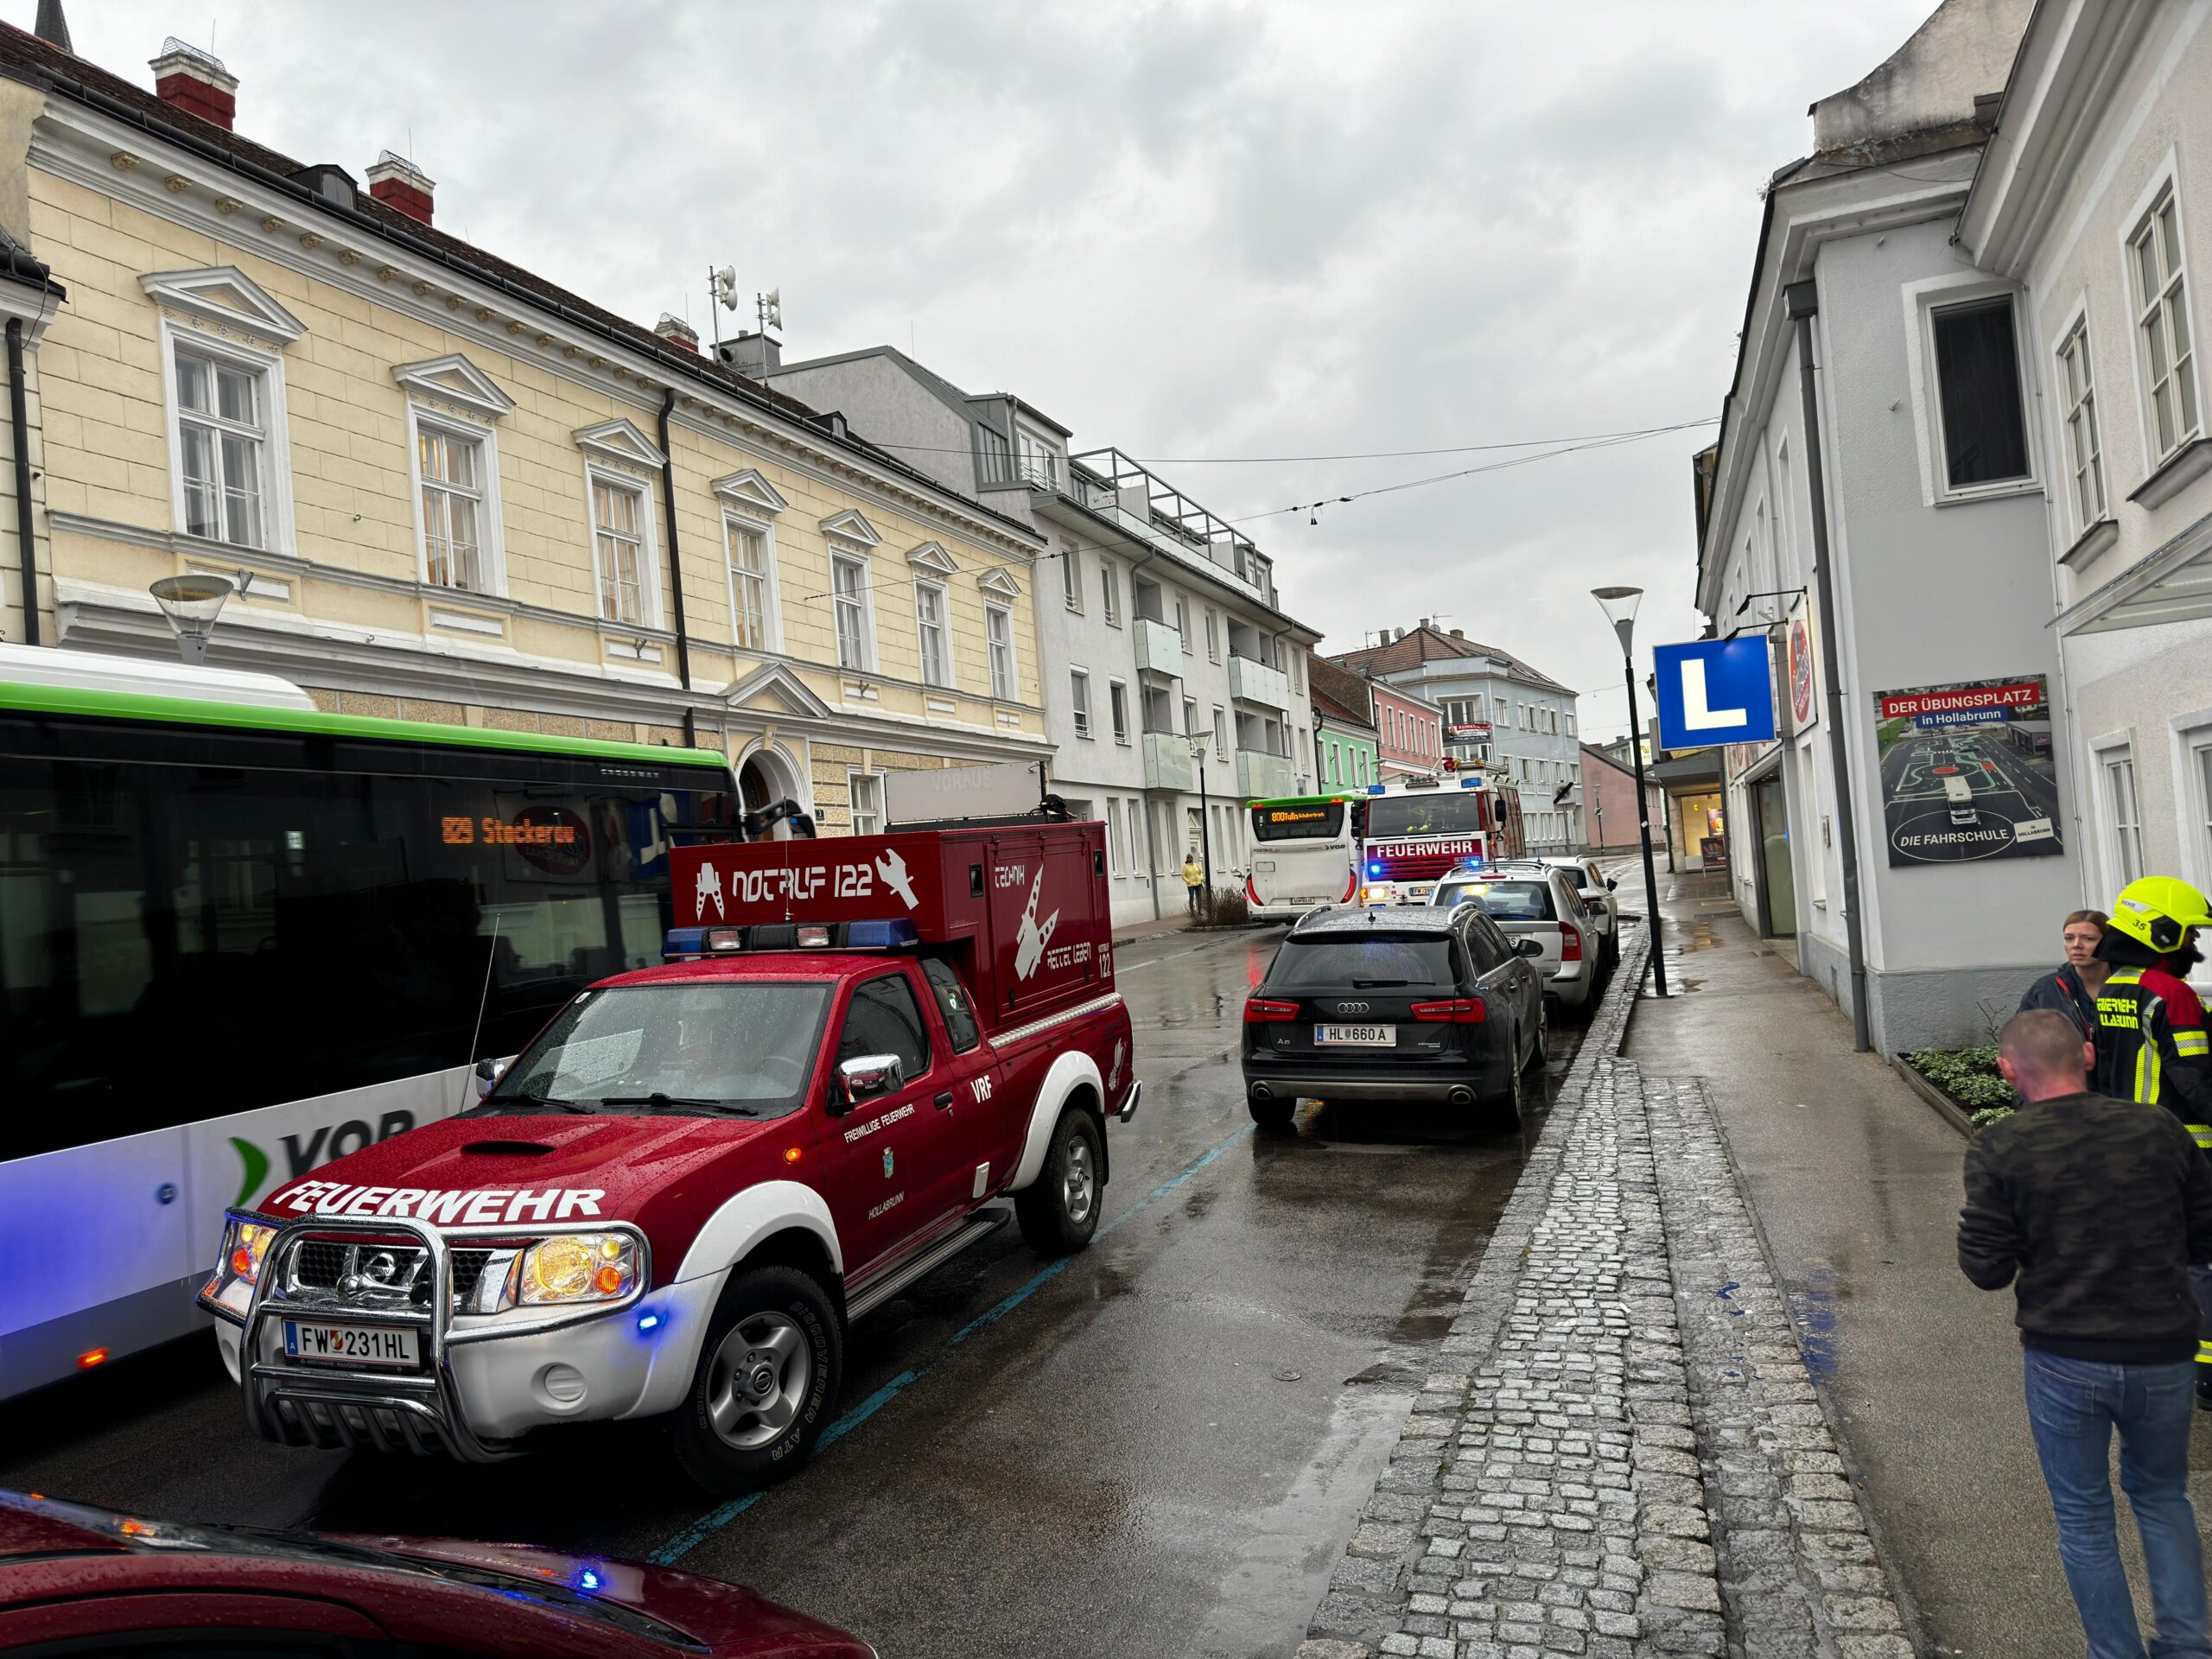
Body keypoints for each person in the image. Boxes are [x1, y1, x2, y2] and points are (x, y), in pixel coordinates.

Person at [1960, 1009, 2212, 1659]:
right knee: (2162, 1496)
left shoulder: (2003, 1147)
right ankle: (2186, 1646)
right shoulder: (2158, 1128)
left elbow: (1985, 1270)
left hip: (2065, 1355)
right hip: (2164, 1349)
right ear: (2090, 1057)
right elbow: (2205, 1234)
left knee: (2083, 1516)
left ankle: (2116, 1653)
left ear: (2008, 1070)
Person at [2018, 909, 2111, 1037]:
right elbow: (2020, 1041)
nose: (2076, 945)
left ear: (2108, 942)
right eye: (2069, 938)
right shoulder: (2044, 991)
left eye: (2088, 938)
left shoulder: (2132, 987)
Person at [1181, 851, 1205, 916]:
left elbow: (1201, 872)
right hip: (1191, 885)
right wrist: (1188, 881)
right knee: (1192, 897)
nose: (1190, 859)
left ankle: (1199, 911)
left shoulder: (1196, 865)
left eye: (1191, 857)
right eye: (1189, 858)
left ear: (1193, 858)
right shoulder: (1185, 867)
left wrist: (1201, 878)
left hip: (1198, 883)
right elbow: (1183, 876)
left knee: (1199, 897)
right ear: (1187, 859)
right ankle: (1192, 912)